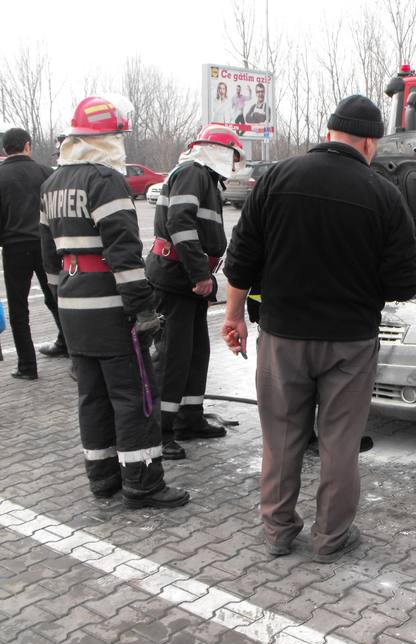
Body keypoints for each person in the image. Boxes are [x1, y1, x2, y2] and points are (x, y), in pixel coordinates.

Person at [221, 94, 416, 562]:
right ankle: (331, 538)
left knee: (282, 436)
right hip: (350, 343)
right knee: (339, 443)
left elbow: (242, 258)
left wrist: (233, 316)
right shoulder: (384, 196)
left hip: (283, 337)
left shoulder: (277, 178)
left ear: (329, 132)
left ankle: (277, 531)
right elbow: (406, 283)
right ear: (370, 144)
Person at [40, 96, 188, 508]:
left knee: (92, 395)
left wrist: (60, 300)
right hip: (110, 308)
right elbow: (123, 254)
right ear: (105, 138)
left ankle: (103, 478)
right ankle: (142, 483)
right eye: (119, 136)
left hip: (73, 306)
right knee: (135, 394)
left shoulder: (52, 183)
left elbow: (48, 255)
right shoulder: (104, 180)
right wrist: (143, 309)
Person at [146, 124, 244, 461]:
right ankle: (160, 431)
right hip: (177, 280)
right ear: (217, 151)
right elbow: (180, 224)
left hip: (184, 281)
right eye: (232, 156)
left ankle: (188, 418)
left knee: (194, 352)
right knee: (173, 356)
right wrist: (200, 274)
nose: (233, 165)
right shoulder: (192, 173)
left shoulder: (203, 178)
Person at [0, 128, 66, 379]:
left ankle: (27, 366)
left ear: (6, 149)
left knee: (19, 309)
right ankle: (71, 347)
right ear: (27, 145)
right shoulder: (45, 173)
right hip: (45, 244)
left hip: (14, 248)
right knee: (56, 296)